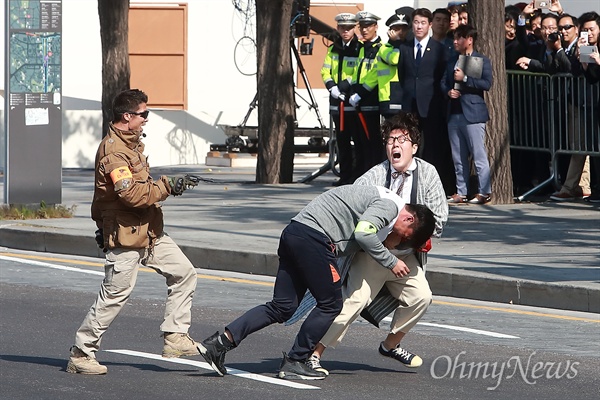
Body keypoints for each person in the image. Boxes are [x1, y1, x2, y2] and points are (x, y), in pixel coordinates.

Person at [197, 185, 436, 380]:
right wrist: (390, 261)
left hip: (294, 233)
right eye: (405, 234)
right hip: (314, 239)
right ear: (408, 217)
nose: (399, 238)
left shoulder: (381, 199)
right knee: (331, 304)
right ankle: (296, 360)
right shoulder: (389, 205)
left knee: (282, 306)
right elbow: (364, 233)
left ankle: (219, 343)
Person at [67, 89, 200, 375]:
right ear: (127, 116)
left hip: (148, 231)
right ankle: (81, 352)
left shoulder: (131, 146)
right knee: (115, 295)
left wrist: (169, 185)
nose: (146, 120)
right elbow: (133, 196)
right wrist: (168, 186)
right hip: (126, 236)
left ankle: (175, 337)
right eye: (143, 114)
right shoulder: (114, 152)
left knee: (184, 272)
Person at [306, 111, 448, 376]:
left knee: (422, 297)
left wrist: (414, 234)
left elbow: (439, 219)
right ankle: (312, 354)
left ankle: (390, 345)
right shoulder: (376, 174)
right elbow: (353, 205)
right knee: (354, 301)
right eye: (390, 140)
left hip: (405, 255)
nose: (395, 145)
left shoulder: (428, 174)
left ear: (414, 147)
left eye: (402, 140)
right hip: (374, 252)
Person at [399, 8, 455, 196]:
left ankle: (433, 187)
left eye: (423, 23)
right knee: (410, 144)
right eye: (416, 22)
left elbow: (441, 75)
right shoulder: (405, 48)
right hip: (410, 103)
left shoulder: (439, 49)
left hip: (431, 104)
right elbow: (402, 75)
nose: (419, 27)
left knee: (432, 147)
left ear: (429, 25)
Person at [442, 25, 493, 204]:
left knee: (478, 153)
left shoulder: (480, 60)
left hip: (473, 112)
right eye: (454, 38)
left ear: (469, 40)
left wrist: (464, 78)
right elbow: (443, 82)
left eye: (459, 38)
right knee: (458, 156)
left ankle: (484, 191)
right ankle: (461, 191)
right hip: (454, 112)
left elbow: (486, 83)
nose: (455, 42)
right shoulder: (452, 60)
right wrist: (448, 92)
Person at [321, 13, 361, 186]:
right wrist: (333, 88)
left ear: (354, 29)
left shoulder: (359, 48)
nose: (345, 31)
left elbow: (359, 72)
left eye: (349, 28)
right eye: (342, 28)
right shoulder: (333, 48)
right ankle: (345, 176)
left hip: (353, 102)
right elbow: (325, 71)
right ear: (337, 29)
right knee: (342, 142)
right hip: (337, 103)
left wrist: (344, 87)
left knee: (358, 142)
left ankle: (357, 176)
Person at [351, 11, 385, 177]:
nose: (364, 30)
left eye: (368, 26)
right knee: (360, 142)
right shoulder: (362, 47)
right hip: (359, 101)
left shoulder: (380, 48)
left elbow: (375, 75)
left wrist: (361, 93)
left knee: (372, 141)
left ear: (376, 27)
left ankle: (372, 174)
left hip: (371, 101)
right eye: (362, 26)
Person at [377, 12, 410, 120]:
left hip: (406, 95)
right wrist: (396, 42)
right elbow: (395, 59)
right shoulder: (384, 48)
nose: (401, 32)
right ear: (390, 31)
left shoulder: (409, 47)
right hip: (390, 97)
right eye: (396, 29)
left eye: (403, 29)